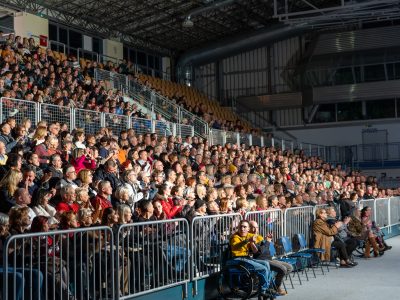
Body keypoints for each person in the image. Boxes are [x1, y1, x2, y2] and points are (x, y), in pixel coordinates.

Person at [249, 220, 292, 296]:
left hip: (269, 259)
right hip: (261, 260)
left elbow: (264, 248)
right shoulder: (250, 238)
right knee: (283, 269)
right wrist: (268, 241)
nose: (255, 230)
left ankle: (273, 285)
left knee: (289, 267)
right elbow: (260, 251)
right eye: (253, 227)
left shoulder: (259, 237)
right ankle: (275, 288)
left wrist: (267, 241)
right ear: (249, 228)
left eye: (256, 227)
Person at [229, 220, 271, 298]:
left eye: (244, 227)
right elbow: (236, 246)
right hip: (237, 259)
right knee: (263, 269)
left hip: (246, 258)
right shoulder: (235, 237)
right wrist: (247, 240)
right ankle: (262, 291)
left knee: (266, 263)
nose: (242, 229)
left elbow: (259, 237)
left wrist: (265, 239)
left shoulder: (249, 235)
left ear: (248, 229)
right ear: (238, 228)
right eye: (240, 227)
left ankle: (266, 288)